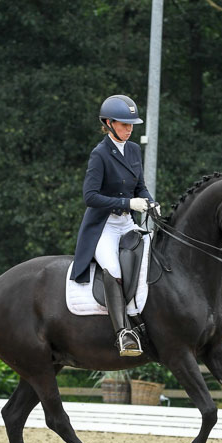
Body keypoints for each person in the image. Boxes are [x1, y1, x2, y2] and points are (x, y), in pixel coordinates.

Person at [71, 94, 157, 356]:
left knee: (152, 258)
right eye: (123, 124)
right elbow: (90, 197)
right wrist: (128, 204)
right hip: (104, 227)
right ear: (108, 123)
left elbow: (140, 186)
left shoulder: (132, 150)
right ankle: (123, 333)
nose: (129, 129)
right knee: (113, 268)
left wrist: (151, 203)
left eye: (132, 125)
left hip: (127, 224)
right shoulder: (99, 155)